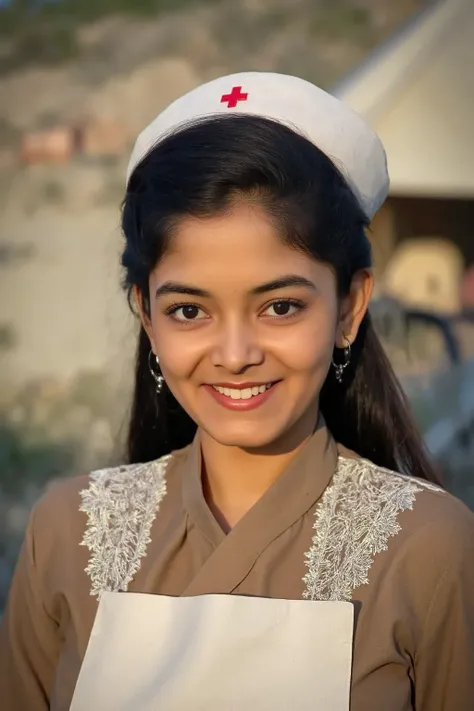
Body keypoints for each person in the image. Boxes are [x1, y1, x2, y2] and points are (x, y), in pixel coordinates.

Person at [1, 72, 473, 711]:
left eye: (279, 307)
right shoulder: (66, 532)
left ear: (349, 308)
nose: (235, 356)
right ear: (145, 313)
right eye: (190, 312)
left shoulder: (432, 548)